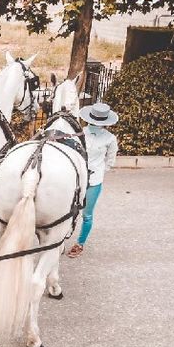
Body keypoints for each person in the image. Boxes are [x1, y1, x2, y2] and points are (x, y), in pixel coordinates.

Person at [67, 102, 119, 258]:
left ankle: (79, 243)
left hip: (93, 180)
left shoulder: (110, 138)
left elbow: (110, 160)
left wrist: (98, 171)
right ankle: (64, 239)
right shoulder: (80, 133)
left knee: (86, 214)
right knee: (70, 210)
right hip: (77, 177)